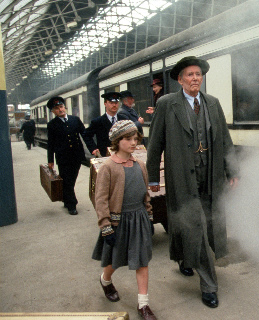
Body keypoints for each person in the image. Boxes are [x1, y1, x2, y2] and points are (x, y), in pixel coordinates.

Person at [146, 56, 239, 308]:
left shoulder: (212, 103)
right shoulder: (167, 104)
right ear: (180, 79)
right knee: (194, 224)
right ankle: (209, 284)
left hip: (210, 175)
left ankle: (183, 258)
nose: (195, 78)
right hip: (181, 177)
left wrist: (233, 170)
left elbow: (225, 140)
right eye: (189, 74)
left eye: (198, 74)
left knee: (207, 222)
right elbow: (154, 145)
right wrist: (153, 177)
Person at [92, 120, 157, 320]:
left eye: (135, 138)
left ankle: (143, 305)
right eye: (128, 139)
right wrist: (105, 226)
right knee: (115, 260)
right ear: (117, 141)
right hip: (117, 222)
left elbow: (144, 194)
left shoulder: (140, 165)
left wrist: (149, 216)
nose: (133, 142)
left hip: (138, 218)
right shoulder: (108, 167)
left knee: (142, 261)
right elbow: (100, 199)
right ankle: (105, 280)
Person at [47, 96, 86, 215]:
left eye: (61, 106)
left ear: (65, 107)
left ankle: (66, 198)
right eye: (57, 108)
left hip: (77, 156)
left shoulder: (75, 120)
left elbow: (85, 135)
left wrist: (94, 149)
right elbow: (51, 144)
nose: (60, 109)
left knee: (71, 180)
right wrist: (50, 160)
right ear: (53, 111)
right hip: (63, 158)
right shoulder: (52, 125)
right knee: (67, 181)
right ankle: (72, 205)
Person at [83, 92, 126, 157]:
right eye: (111, 103)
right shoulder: (97, 122)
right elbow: (86, 135)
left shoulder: (124, 120)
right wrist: (93, 148)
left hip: (122, 155)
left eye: (116, 103)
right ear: (105, 104)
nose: (114, 105)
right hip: (105, 156)